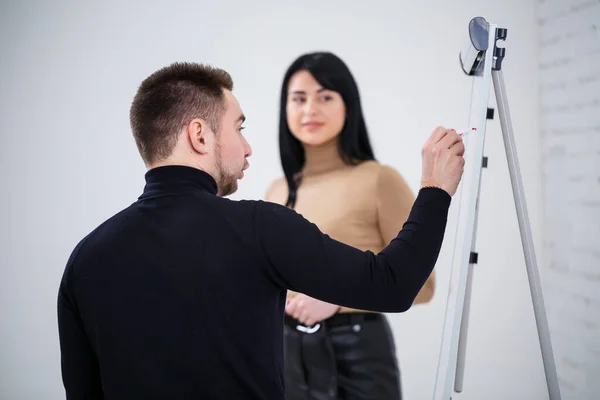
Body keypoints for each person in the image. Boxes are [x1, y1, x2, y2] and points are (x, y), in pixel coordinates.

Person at [57, 61, 465, 400]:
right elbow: (393, 285)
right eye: (239, 127)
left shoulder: (86, 258)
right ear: (199, 135)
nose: (248, 147)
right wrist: (434, 190)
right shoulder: (260, 225)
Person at [264, 51, 434, 399]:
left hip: (356, 354)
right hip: (284, 355)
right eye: (298, 98)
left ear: (348, 104)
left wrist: (337, 302)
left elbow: (423, 285)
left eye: (325, 96)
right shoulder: (277, 190)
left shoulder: (379, 180)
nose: (310, 109)